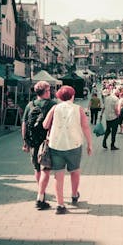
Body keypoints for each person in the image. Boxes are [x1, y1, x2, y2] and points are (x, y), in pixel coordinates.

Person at [42, 85, 93, 215]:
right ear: (72, 96)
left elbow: (45, 125)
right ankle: (74, 194)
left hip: (56, 145)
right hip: (74, 145)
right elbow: (85, 127)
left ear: (59, 96)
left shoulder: (55, 108)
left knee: (58, 175)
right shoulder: (78, 109)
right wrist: (89, 144)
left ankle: (60, 205)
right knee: (75, 171)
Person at [22, 81, 55, 210]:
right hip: (47, 141)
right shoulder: (52, 104)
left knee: (37, 168)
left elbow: (24, 123)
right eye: (49, 90)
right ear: (45, 92)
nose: (50, 92)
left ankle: (41, 190)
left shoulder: (30, 105)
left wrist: (25, 141)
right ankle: (40, 197)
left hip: (33, 141)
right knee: (45, 169)